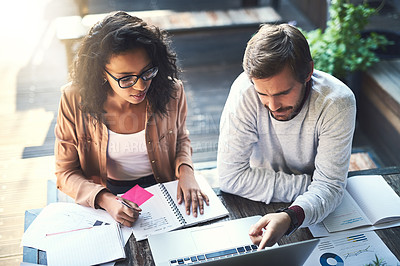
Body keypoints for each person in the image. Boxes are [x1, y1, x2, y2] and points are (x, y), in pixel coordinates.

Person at [54, 11, 209, 227]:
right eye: (126, 78)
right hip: (106, 190)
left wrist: (187, 172)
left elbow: (180, 138)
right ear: (101, 73)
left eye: (147, 72)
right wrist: (105, 200)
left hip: (163, 186)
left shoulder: (171, 91)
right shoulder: (73, 99)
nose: (141, 86)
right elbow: (65, 172)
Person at [217, 24, 356, 249]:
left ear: (308, 72)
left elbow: (330, 186)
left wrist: (291, 216)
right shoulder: (245, 90)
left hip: (310, 213)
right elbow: (229, 178)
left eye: (283, 93)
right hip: (263, 203)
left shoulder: (337, 102)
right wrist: (315, 186)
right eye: (263, 93)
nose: (272, 105)